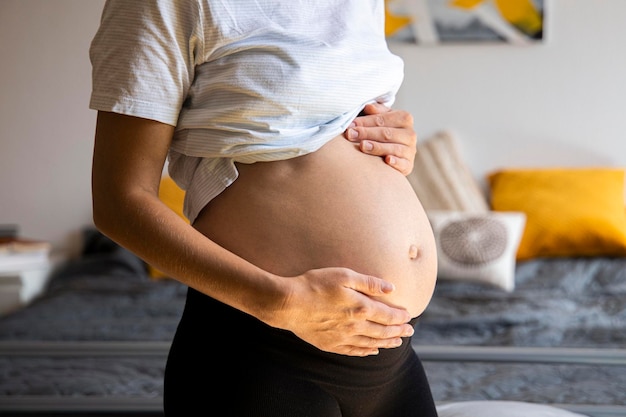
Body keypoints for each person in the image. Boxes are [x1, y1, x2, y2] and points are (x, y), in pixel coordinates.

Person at [89, 1, 438, 416]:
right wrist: (280, 301)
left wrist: (392, 141)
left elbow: (328, 123)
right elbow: (120, 201)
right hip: (264, 351)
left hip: (392, 359)